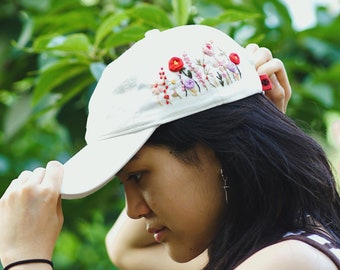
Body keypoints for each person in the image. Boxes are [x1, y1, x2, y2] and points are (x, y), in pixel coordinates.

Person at [0, 25, 339, 270]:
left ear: (220, 148)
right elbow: (125, 249)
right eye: (124, 181)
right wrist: (252, 130)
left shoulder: (286, 262)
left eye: (137, 176)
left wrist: (25, 260)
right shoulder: (260, 249)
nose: (133, 210)